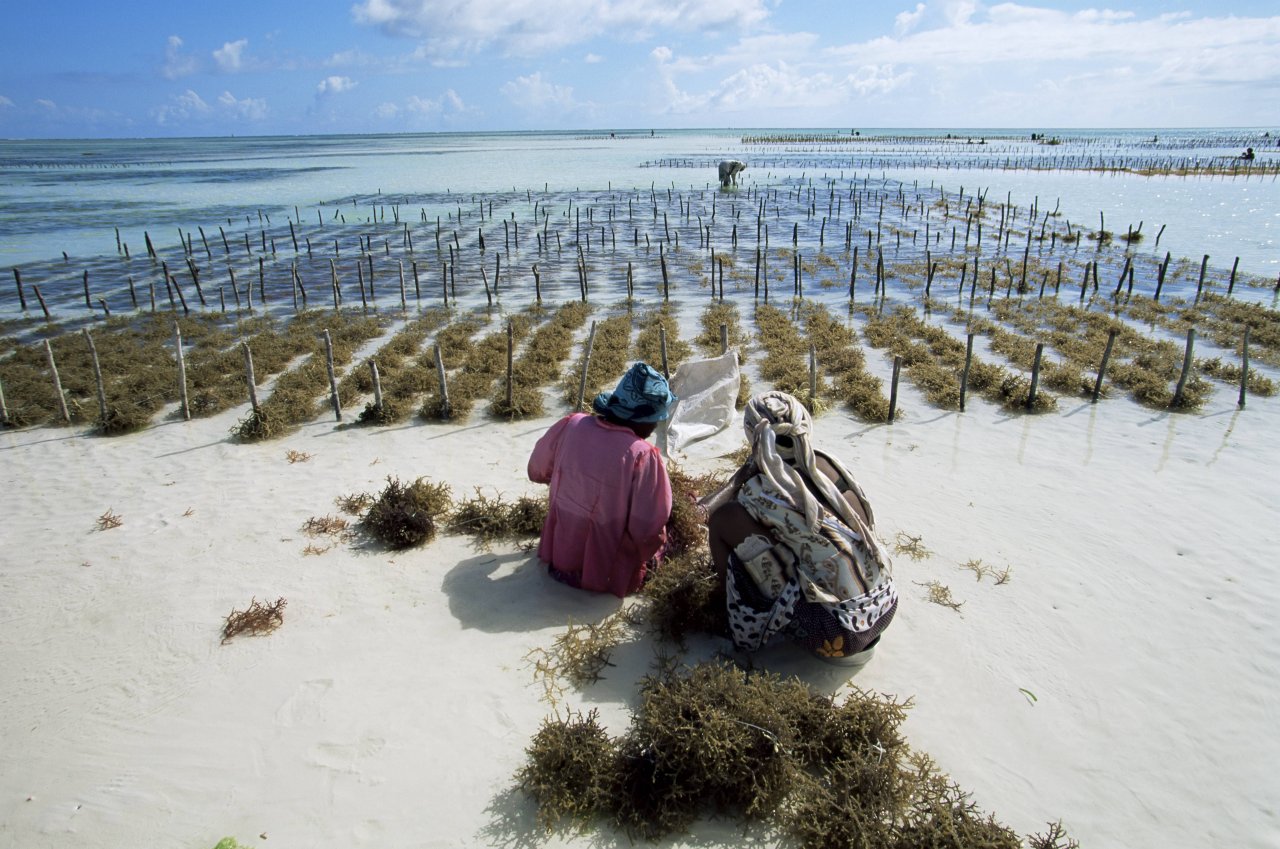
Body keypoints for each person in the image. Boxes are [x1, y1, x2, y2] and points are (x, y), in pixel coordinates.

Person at [701, 392, 896, 665]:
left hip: (837, 636)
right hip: (886, 605)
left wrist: (737, 481)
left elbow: (705, 514)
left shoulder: (759, 492)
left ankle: (737, 621)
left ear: (754, 437)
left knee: (728, 524)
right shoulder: (829, 463)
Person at [527, 362, 677, 597]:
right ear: (640, 418)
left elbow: (537, 470)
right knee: (675, 533)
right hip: (606, 574)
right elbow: (648, 528)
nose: (656, 425)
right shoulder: (643, 455)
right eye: (655, 418)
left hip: (557, 558)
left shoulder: (572, 424)